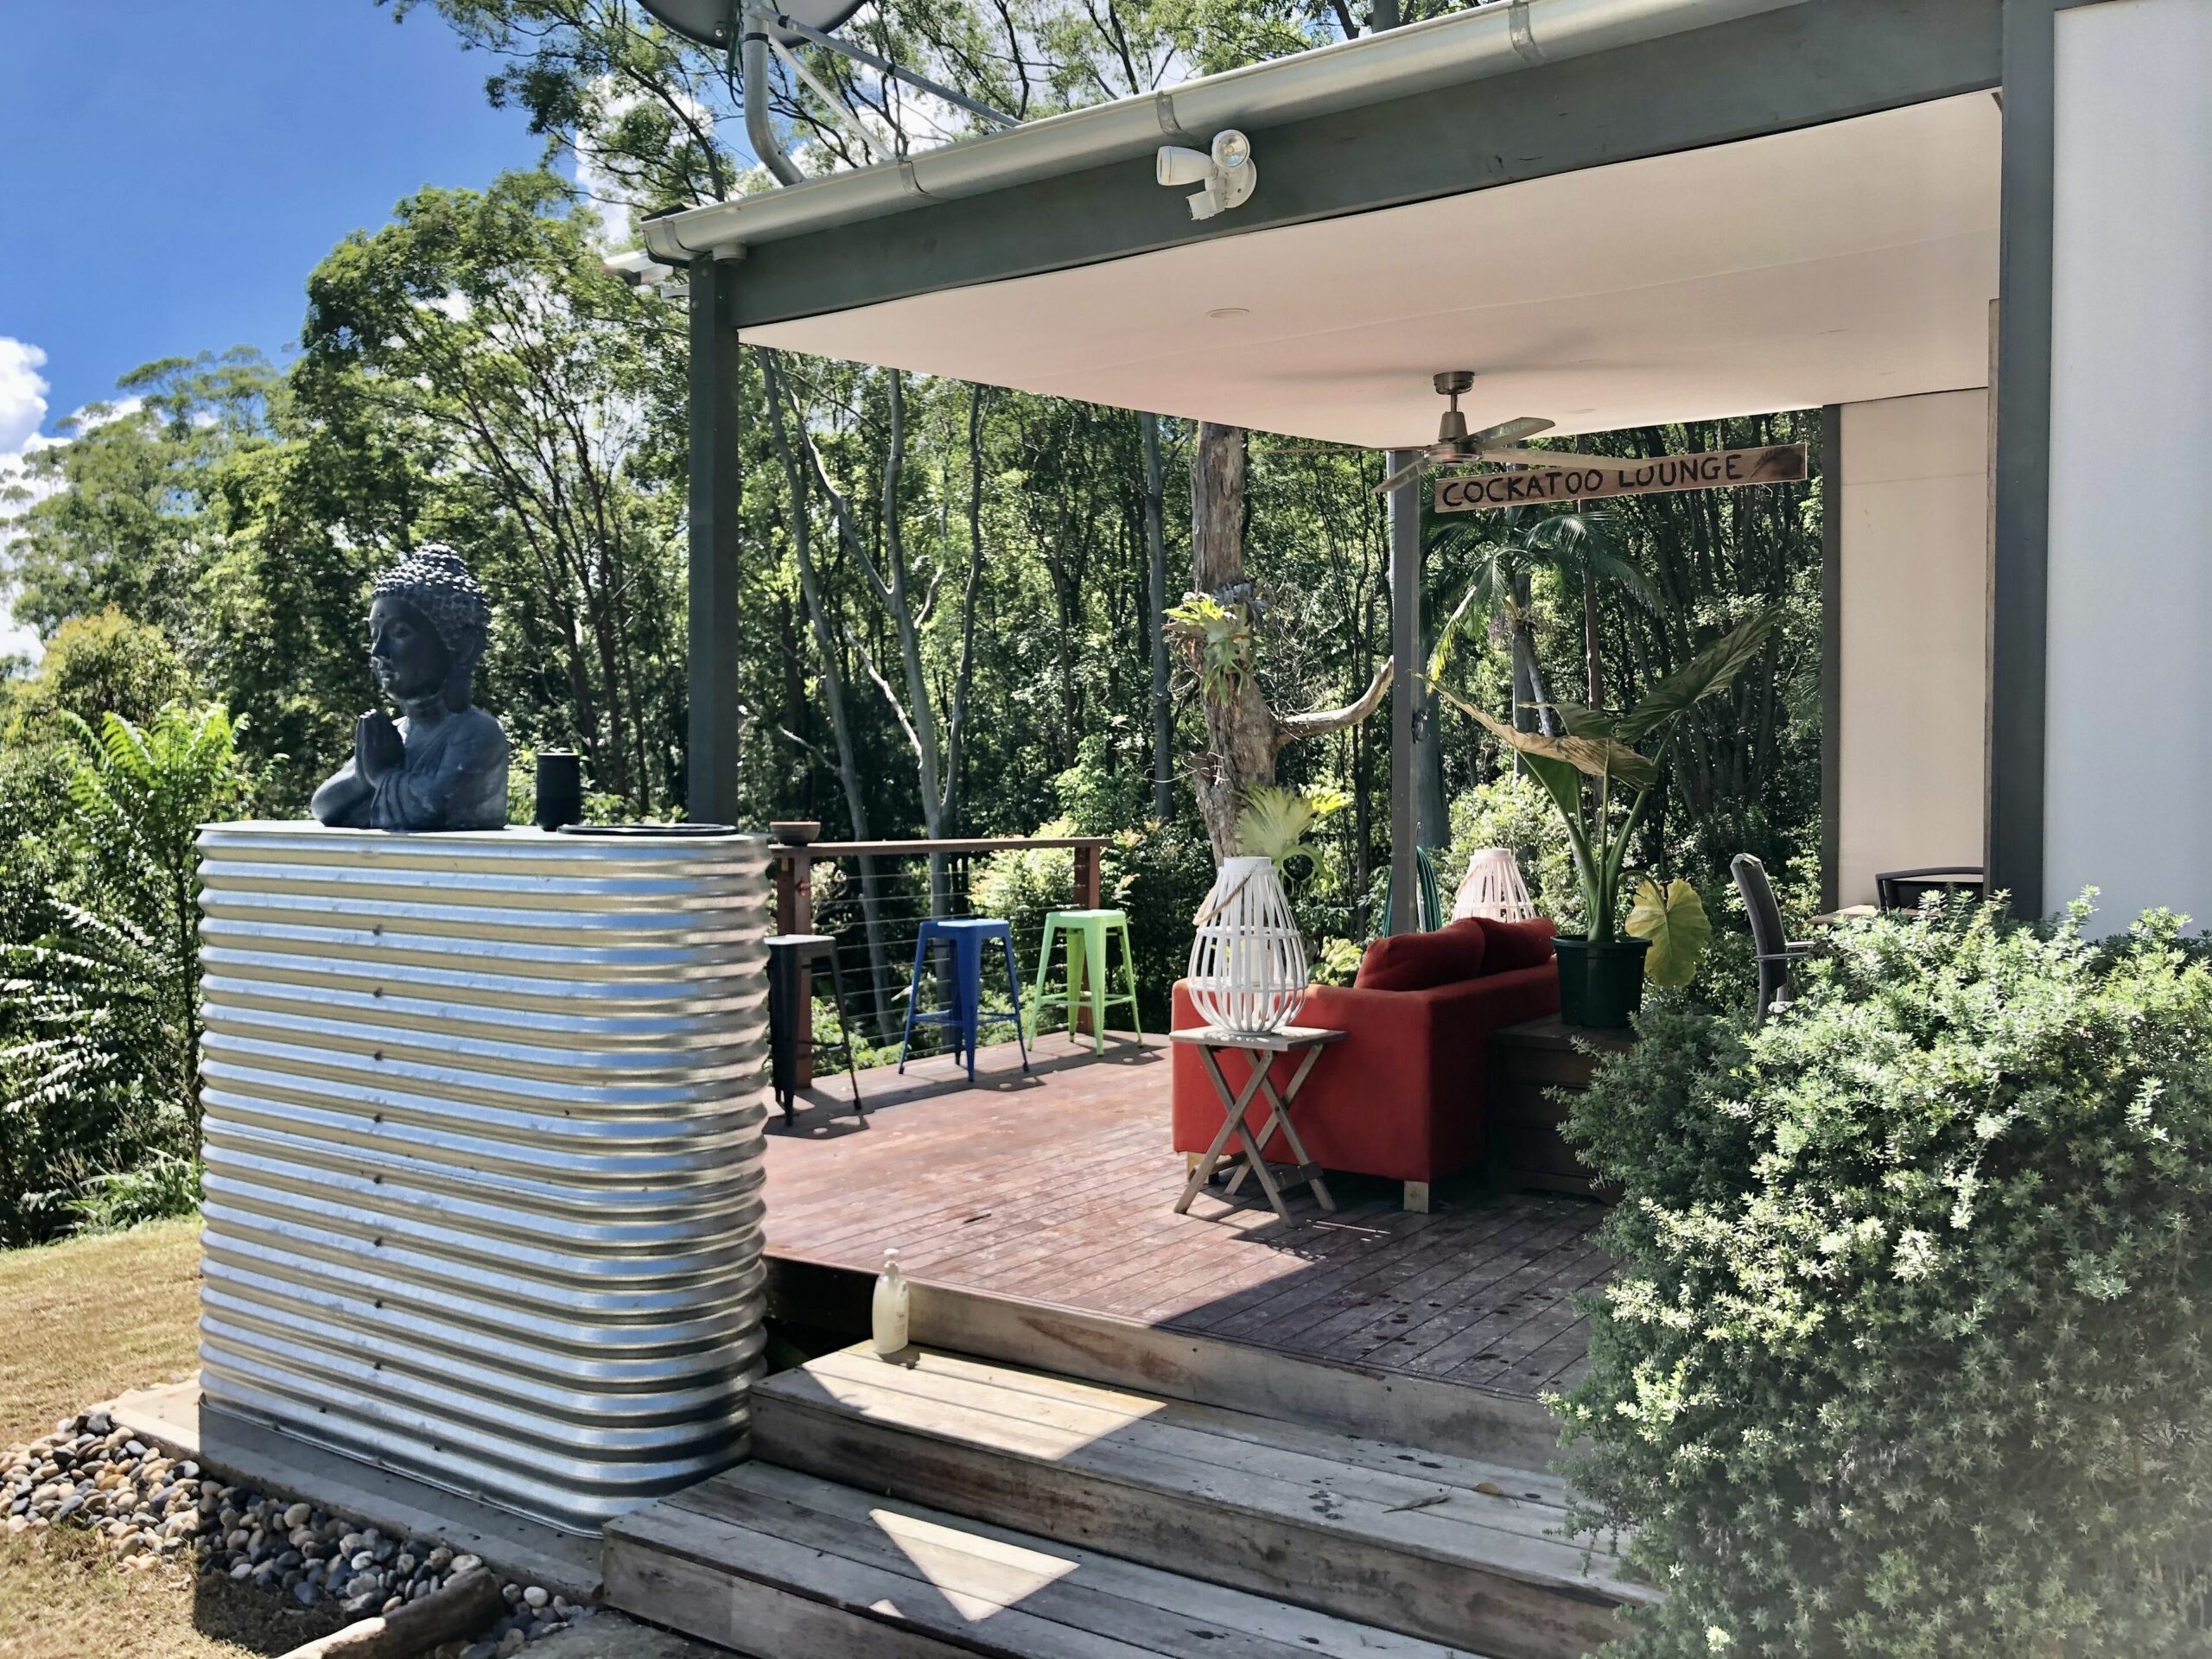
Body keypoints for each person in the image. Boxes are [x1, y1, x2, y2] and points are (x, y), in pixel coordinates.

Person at [311, 546, 510, 831]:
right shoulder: (395, 733)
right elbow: (322, 806)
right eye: (374, 635)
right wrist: (361, 779)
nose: (379, 651)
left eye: (399, 633)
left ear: (464, 648)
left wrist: (380, 777)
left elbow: (435, 806)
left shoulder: (478, 733)